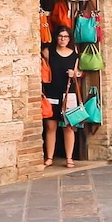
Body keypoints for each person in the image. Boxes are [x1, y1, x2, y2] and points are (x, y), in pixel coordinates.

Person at [42, 26, 81, 168]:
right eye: (60, 36)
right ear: (56, 37)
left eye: (65, 36)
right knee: (50, 126)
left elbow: (79, 73)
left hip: (68, 94)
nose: (63, 39)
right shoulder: (48, 52)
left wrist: (75, 74)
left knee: (68, 127)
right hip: (52, 92)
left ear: (69, 38)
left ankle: (69, 158)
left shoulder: (74, 54)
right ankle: (50, 157)